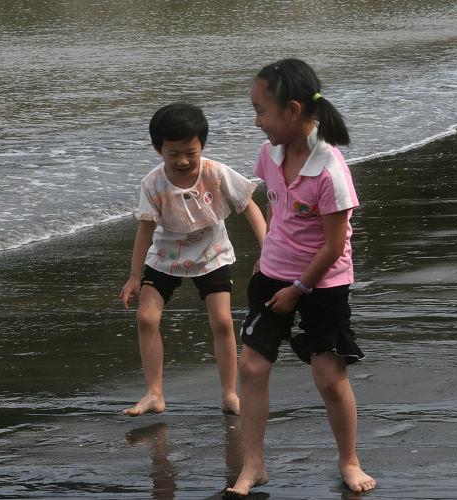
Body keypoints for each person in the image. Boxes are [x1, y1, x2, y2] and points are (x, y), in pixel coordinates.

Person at [224, 59, 376, 497]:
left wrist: (299, 288)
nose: (257, 121)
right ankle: (254, 465)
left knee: (329, 377)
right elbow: (277, 204)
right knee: (251, 366)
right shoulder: (271, 153)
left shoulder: (330, 171)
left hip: (322, 283)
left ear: (292, 111)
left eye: (261, 111)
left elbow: (333, 246)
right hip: (273, 275)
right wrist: (268, 250)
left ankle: (349, 460)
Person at [120, 103, 266, 417]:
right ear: (157, 148)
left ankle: (229, 393)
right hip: (165, 256)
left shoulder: (216, 171)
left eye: (191, 152)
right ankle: (154, 394)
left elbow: (249, 206)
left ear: (202, 145)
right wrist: (134, 277)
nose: (183, 161)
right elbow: (145, 231)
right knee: (146, 318)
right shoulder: (153, 183)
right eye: (173, 154)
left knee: (223, 321)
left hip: (211, 254)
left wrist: (267, 250)